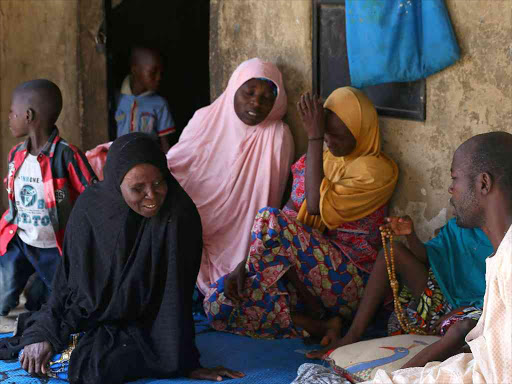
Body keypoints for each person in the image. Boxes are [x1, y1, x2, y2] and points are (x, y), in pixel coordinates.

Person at [3, 134, 244, 383]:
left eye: (159, 183)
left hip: (143, 323)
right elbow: (67, 284)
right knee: (37, 345)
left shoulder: (179, 217)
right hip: (84, 312)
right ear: (117, 183)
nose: (152, 196)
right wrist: (49, 332)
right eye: (138, 189)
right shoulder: (90, 208)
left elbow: (174, 296)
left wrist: (187, 362)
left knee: (95, 366)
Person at [204, 88, 399, 341]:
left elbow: (315, 206)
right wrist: (244, 267)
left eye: (337, 136)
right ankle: (321, 325)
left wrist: (314, 137)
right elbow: (289, 218)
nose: (330, 142)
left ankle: (318, 312)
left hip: (349, 283)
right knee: (218, 302)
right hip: (304, 279)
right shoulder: (319, 160)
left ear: (362, 131)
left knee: (267, 217)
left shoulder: (375, 170)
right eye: (326, 135)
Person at [361, 132, 512, 384]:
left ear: (483, 183)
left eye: (455, 178)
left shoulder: (508, 261)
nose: (451, 189)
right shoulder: (501, 255)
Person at [166, 58, 295, 295]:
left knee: (227, 288)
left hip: (235, 241)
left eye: (268, 97)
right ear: (234, 88)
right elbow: (175, 165)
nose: (256, 102)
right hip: (190, 220)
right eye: (249, 92)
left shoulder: (276, 136)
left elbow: (264, 202)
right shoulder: (205, 119)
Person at [307, 215, 492, 367]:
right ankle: (352, 335)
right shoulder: (458, 225)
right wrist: (411, 235)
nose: (451, 188)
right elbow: (430, 256)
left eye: (456, 179)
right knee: (391, 250)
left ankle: (403, 373)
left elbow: (501, 296)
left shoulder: (502, 236)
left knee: (465, 329)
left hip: (476, 311)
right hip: (442, 296)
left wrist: (461, 311)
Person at [0, 79, 97, 316]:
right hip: (21, 239)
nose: (9, 118)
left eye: (13, 113)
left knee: (56, 305)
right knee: (2, 301)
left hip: (54, 245)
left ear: (29, 115)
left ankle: (38, 287)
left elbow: (93, 193)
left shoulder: (67, 156)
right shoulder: (16, 154)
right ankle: (26, 284)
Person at [116, 46, 176, 152]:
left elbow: (165, 142)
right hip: (120, 159)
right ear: (135, 70)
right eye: (153, 73)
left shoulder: (160, 104)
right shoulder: (117, 99)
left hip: (148, 159)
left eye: (160, 73)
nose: (158, 78)